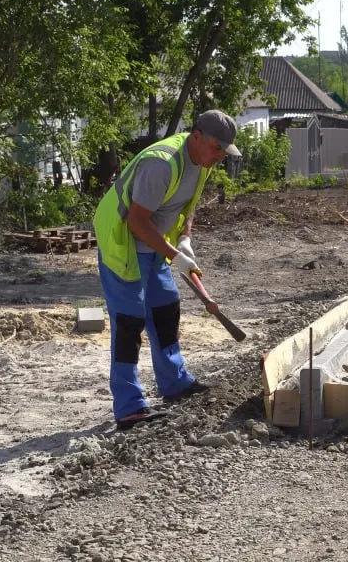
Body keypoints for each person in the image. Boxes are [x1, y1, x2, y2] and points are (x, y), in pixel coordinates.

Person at [92, 110, 240, 430]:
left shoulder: (201, 163)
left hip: (156, 248)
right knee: (129, 323)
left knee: (165, 309)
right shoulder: (161, 164)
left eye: (223, 151)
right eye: (217, 148)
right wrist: (174, 255)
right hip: (124, 246)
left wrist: (185, 241)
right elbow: (136, 221)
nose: (220, 157)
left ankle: (175, 383)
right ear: (197, 137)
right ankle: (129, 407)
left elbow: (186, 208)